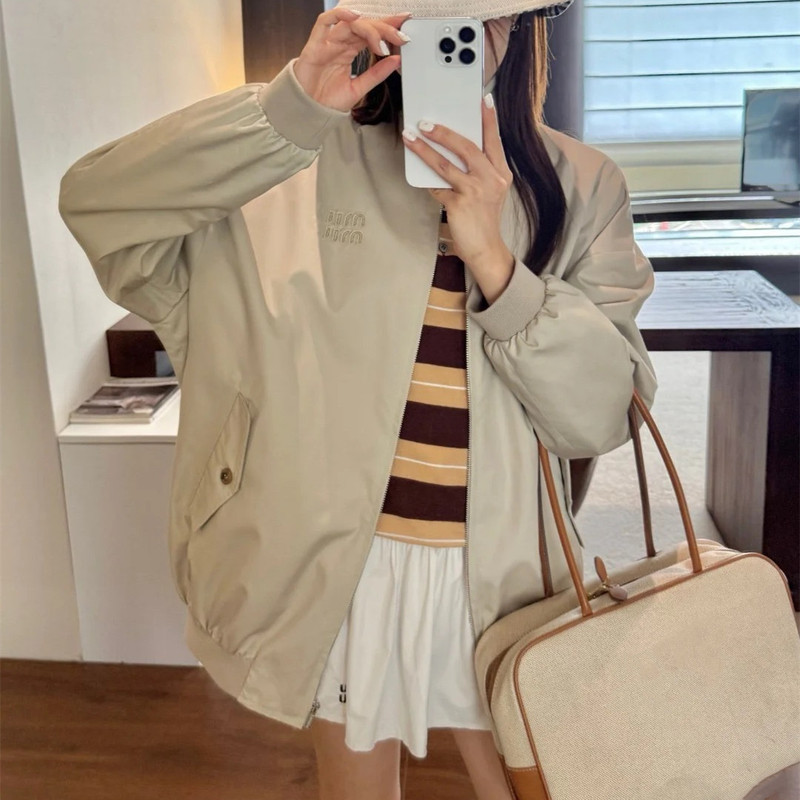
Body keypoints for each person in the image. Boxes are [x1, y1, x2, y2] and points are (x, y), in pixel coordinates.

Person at [59, 2, 658, 798]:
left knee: (529, 784)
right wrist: (288, 109)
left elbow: (601, 415)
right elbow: (98, 204)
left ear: (520, 29)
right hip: (336, 564)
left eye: (489, 16)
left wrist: (498, 266)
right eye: (435, 13)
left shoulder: (581, 183)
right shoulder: (282, 155)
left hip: (507, 569)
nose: (465, 33)